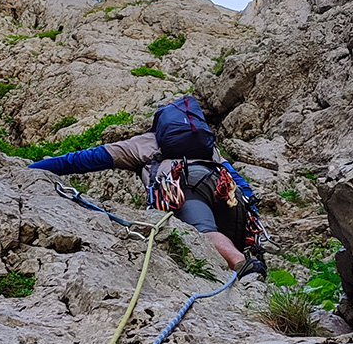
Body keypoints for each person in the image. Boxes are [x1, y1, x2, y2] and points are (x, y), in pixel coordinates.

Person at [28, 105, 267, 282]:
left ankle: (241, 265)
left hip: (182, 185)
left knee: (202, 232)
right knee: (217, 231)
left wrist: (30, 169)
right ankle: (241, 264)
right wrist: (251, 210)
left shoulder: (142, 144)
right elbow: (238, 180)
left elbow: (82, 160)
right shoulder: (209, 149)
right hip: (223, 188)